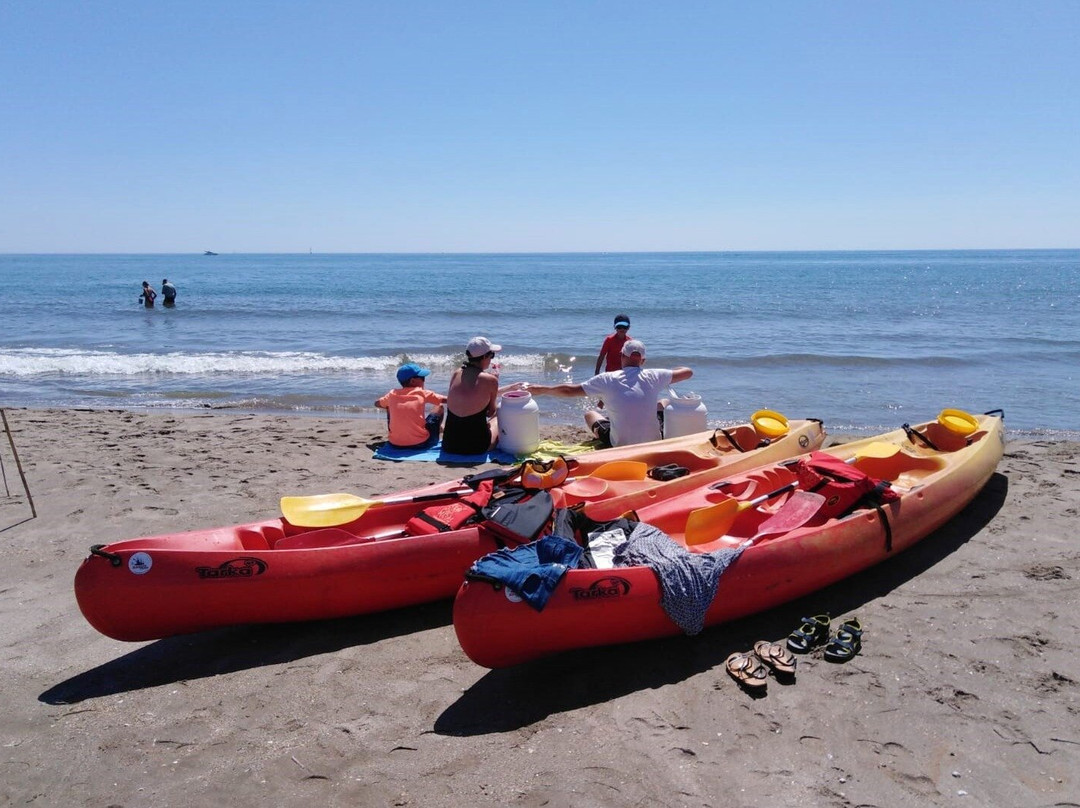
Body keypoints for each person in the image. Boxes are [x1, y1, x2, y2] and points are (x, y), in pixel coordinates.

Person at [525, 339, 692, 447]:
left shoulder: (607, 378)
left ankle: (613, 422)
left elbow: (569, 390)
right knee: (664, 402)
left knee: (590, 414)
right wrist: (669, 371)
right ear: (643, 361)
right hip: (653, 443)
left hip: (619, 445)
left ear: (621, 356)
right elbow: (688, 372)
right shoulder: (654, 375)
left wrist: (542, 389)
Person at [443, 336, 506, 454]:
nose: (491, 359)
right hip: (477, 447)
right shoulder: (491, 380)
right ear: (484, 357)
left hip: (449, 444)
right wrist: (494, 381)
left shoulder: (456, 373)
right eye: (491, 355)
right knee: (498, 417)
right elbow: (490, 412)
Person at [375, 363, 446, 449]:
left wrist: (394, 406)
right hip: (421, 443)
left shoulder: (392, 394)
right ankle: (438, 428)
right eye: (422, 378)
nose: (424, 381)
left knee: (389, 406)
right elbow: (446, 400)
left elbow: (377, 403)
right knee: (439, 406)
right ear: (412, 381)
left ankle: (400, 432)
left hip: (395, 444)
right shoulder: (422, 393)